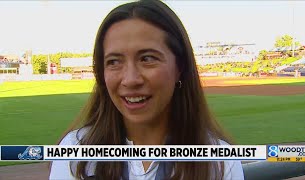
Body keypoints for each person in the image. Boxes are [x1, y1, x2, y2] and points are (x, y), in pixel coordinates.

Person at [49, 0, 244, 179]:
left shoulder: (219, 161)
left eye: (147, 58)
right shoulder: (75, 151)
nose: (130, 80)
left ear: (180, 67)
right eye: (114, 61)